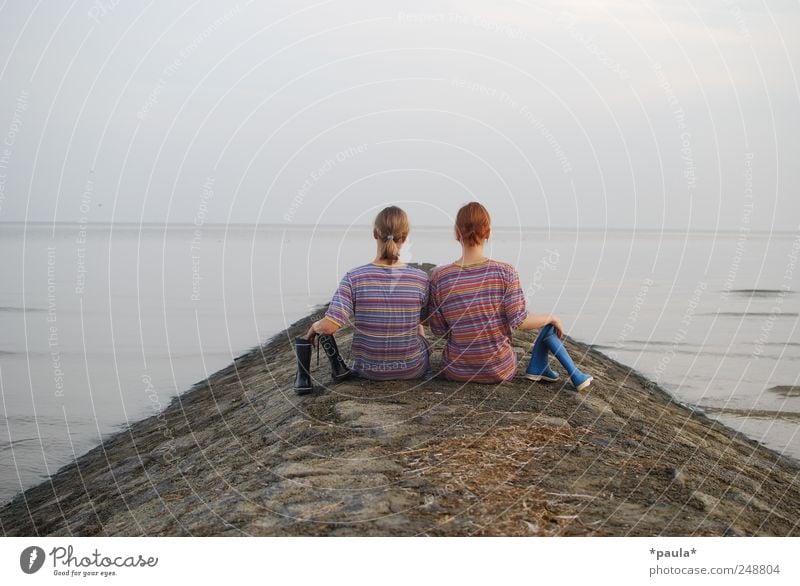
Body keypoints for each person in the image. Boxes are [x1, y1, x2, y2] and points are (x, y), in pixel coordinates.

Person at [426, 202, 593, 390]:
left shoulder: (440, 276)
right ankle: (546, 368)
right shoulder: (505, 272)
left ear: (457, 233)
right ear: (488, 232)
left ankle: (540, 367)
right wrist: (552, 317)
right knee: (546, 323)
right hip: (498, 369)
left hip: (456, 370)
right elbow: (519, 321)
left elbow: (439, 330)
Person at [293, 206, 430, 394]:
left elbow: (328, 327)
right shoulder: (420, 278)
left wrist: (315, 327)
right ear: (405, 238)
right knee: (419, 328)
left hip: (368, 370)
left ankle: (309, 374)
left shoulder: (354, 277)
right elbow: (426, 320)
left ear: (375, 234)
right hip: (412, 369)